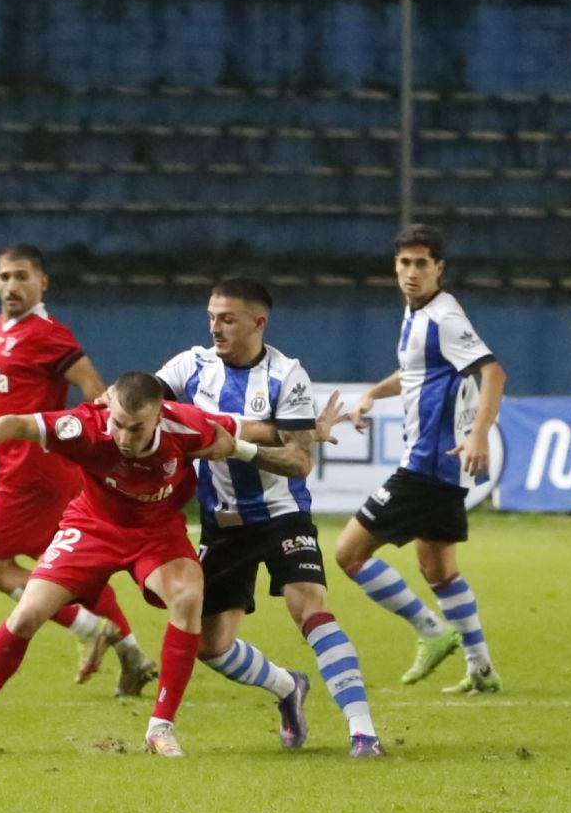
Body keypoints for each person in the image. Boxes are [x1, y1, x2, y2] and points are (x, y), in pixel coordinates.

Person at [154, 278, 386, 757]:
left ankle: (363, 731)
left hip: (283, 517)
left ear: (258, 322)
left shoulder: (287, 376)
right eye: (212, 316)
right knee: (212, 646)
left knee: (311, 609)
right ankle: (287, 687)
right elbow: (140, 401)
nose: (215, 327)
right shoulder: (190, 366)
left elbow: (300, 461)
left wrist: (235, 446)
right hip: (222, 526)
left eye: (228, 319)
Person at [0, 371, 247, 758]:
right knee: (28, 612)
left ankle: (160, 728)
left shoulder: (188, 424)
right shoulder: (83, 426)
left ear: (160, 415)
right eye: (118, 425)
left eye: (136, 428)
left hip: (156, 532)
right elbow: (20, 423)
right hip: (92, 526)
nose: (125, 439)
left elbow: (242, 432)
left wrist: (298, 435)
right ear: (108, 406)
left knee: (187, 596)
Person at [0, 244, 156, 696]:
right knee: (76, 567)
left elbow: (94, 389)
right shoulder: (5, 328)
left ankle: (92, 629)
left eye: (22, 276)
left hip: (32, 475)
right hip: (42, 475)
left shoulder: (49, 334)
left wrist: (103, 445)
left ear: (42, 282)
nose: (12, 285)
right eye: (5, 276)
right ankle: (132, 655)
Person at [333, 224, 507, 695]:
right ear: (395, 266)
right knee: (439, 569)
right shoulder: (418, 314)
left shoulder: (443, 318)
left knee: (348, 554)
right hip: (440, 468)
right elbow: (414, 374)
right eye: (404, 263)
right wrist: (373, 392)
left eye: (421, 264)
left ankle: (432, 633)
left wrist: (479, 434)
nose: (411, 272)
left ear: (439, 269)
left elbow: (493, 373)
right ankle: (482, 669)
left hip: (427, 466)